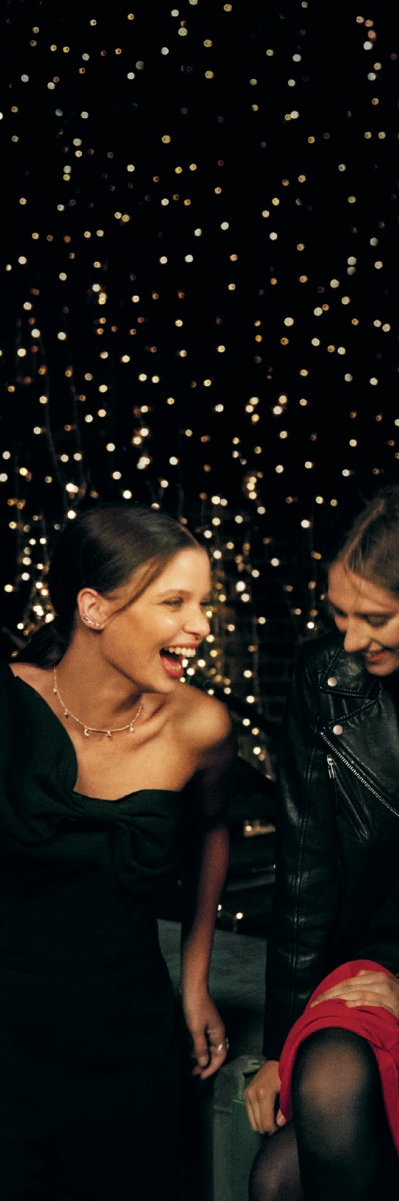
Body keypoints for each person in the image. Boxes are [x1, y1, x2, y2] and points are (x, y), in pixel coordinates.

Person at [246, 487, 399, 1201]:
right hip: (367, 972)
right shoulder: (326, 681)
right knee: (287, 1155)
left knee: (282, 1182)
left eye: (376, 618)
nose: (351, 640)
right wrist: (277, 1048)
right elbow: (306, 872)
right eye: (339, 614)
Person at [1, 501, 235, 1201]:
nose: (201, 625)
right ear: (94, 608)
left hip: (128, 1040)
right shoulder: (8, 704)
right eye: (175, 602)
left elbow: (212, 832)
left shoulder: (200, 726)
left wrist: (195, 981)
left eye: (203, 603)